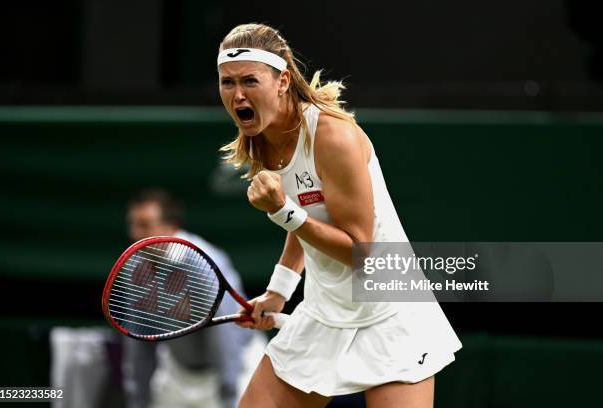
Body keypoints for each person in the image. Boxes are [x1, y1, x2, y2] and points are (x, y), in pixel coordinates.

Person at [216, 23, 462, 408]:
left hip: (389, 311)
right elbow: (312, 214)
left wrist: (282, 211)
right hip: (324, 311)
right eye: (227, 83)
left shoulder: (332, 136)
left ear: (282, 81)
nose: (237, 94)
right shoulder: (262, 139)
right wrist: (280, 291)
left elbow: (361, 253)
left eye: (249, 80)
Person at [123, 188, 265, 408]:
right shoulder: (134, 265)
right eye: (133, 224)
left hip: (236, 366)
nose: (135, 234)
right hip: (178, 371)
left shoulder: (203, 264)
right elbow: (138, 335)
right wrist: (139, 398)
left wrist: (228, 393)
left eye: (144, 225)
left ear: (170, 228)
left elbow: (225, 334)